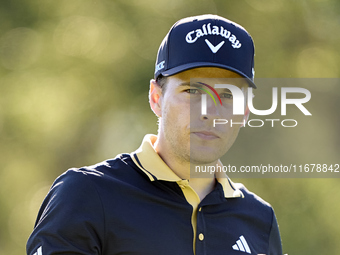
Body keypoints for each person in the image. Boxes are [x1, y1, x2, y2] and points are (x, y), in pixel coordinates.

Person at [27, 14, 283, 255]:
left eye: (227, 95)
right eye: (192, 91)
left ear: (246, 111)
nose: (210, 112)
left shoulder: (260, 219)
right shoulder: (87, 194)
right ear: (156, 97)